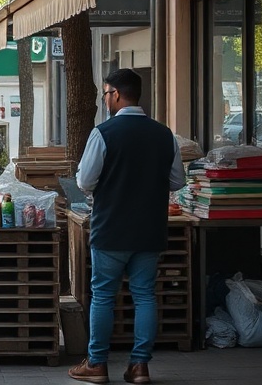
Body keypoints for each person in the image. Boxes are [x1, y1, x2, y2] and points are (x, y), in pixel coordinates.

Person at [68, 68, 185, 385]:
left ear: (116, 94)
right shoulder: (165, 135)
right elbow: (178, 181)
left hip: (112, 228)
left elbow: (84, 181)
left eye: (106, 94)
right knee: (145, 295)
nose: (106, 100)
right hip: (150, 229)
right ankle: (140, 367)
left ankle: (97, 364)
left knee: (104, 295)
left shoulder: (103, 133)